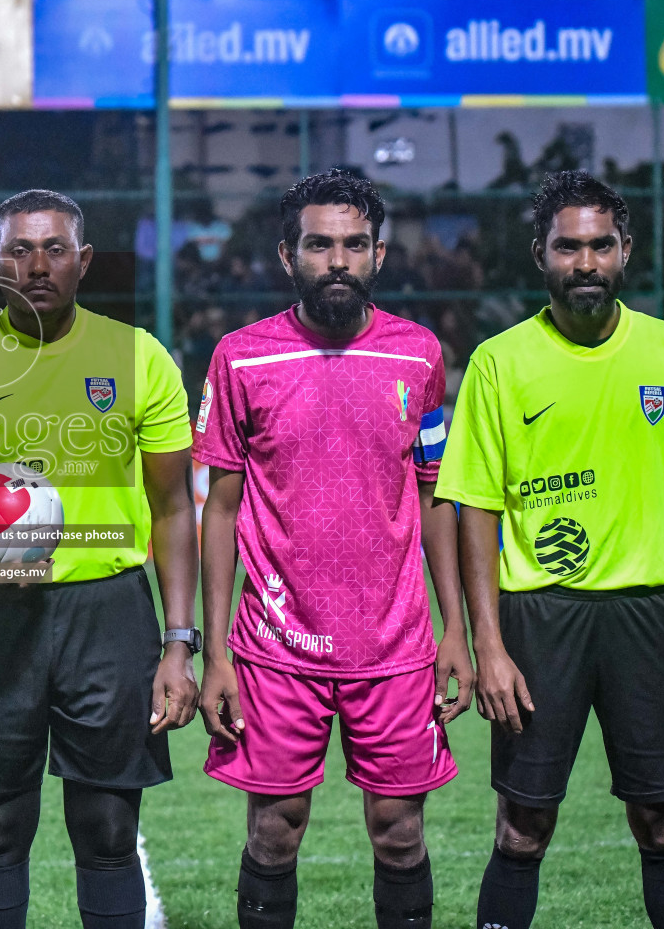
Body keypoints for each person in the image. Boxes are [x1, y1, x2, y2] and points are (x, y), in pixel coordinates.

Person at [435, 171, 664, 929]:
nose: (585, 262)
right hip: (540, 622)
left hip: (649, 618)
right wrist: (488, 641)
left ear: (625, 251)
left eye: (599, 245)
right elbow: (470, 504)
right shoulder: (500, 362)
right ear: (540, 255)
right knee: (523, 828)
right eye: (567, 247)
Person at [0, 189, 201, 929]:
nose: (37, 265)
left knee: (105, 830)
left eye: (55, 249)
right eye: (18, 250)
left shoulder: (136, 356)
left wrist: (178, 643)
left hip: (109, 615)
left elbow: (172, 511)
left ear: (83, 260)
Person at [194, 170, 471, 929]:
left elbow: (433, 495)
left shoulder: (419, 355)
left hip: (398, 643)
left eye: (355, 244)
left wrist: (457, 630)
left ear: (379, 253)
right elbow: (219, 512)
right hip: (277, 646)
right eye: (320, 245)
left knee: (401, 833)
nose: (338, 260)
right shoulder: (240, 358)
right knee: (275, 832)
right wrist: (213, 652)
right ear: (289, 256)